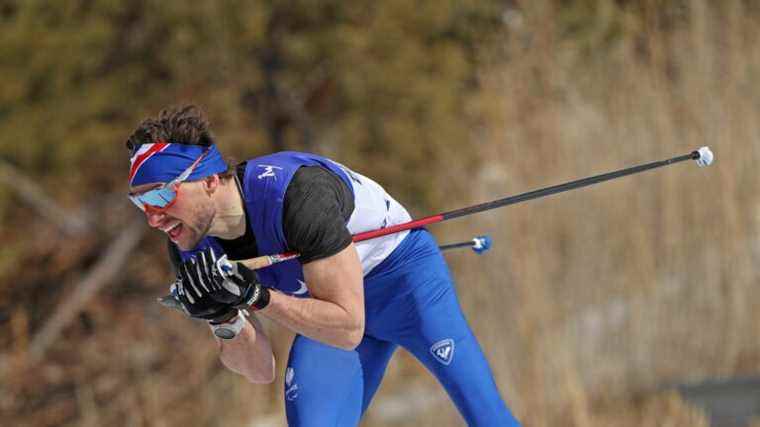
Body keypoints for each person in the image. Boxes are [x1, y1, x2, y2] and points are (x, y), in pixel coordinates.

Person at [125, 105, 521, 426]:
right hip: (326, 313)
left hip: (403, 285)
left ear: (209, 180)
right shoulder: (190, 243)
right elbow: (260, 369)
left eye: (161, 195)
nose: (152, 217)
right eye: (140, 203)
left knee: (487, 417)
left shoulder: (295, 193)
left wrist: (258, 296)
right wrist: (224, 319)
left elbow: (349, 327)